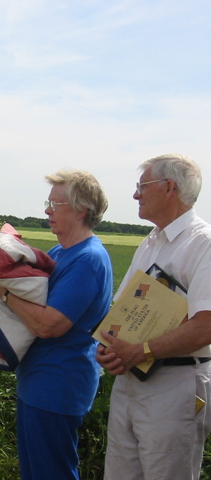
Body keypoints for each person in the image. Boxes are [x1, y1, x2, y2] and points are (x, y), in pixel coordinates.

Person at [0, 169, 112, 480]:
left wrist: (1, 292)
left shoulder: (87, 260)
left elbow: (48, 326)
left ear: (82, 210)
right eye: (48, 202)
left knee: (51, 472)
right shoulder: (61, 252)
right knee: (35, 471)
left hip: (59, 384)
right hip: (39, 380)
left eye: (56, 205)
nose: (47, 210)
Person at [96, 153, 211, 480]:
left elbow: (207, 325)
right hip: (130, 382)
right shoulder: (150, 243)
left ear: (170, 188)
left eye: (141, 186)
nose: (135, 195)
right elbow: (122, 310)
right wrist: (106, 348)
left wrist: (141, 351)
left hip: (175, 386)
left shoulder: (204, 244)